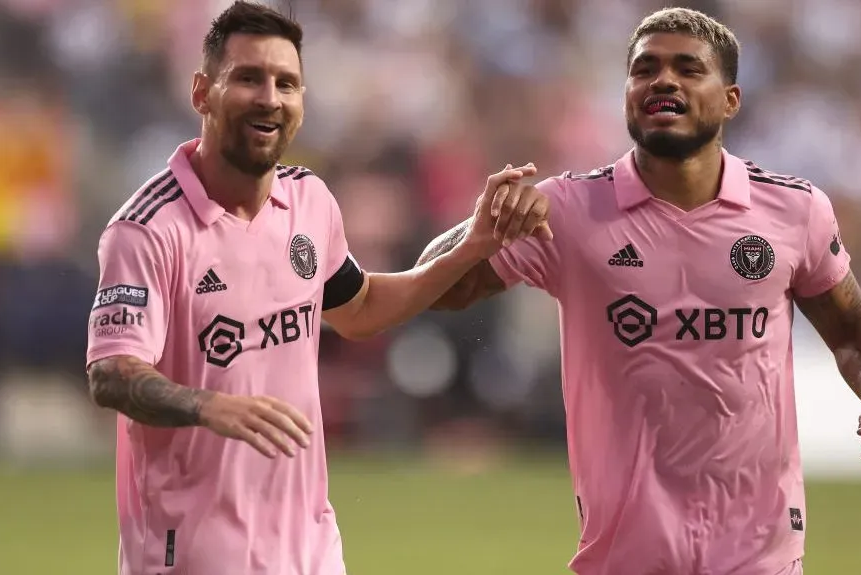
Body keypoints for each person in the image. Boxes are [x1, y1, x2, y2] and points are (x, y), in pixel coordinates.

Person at [417, 7, 861, 575]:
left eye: (687, 68)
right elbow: (433, 290)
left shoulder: (794, 210)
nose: (663, 81)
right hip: (625, 551)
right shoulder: (569, 210)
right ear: (628, 93)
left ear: (730, 99)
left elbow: (851, 325)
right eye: (645, 69)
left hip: (759, 551)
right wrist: (479, 229)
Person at [83, 3, 549, 574]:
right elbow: (111, 374)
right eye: (249, 78)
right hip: (194, 551)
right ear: (202, 92)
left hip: (309, 548)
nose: (270, 98)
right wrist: (209, 406)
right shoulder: (147, 230)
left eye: (287, 83)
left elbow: (360, 308)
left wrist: (473, 247)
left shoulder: (309, 202)